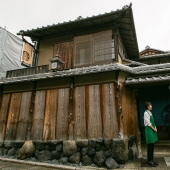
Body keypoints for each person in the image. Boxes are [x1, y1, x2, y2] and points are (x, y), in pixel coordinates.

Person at [144, 102, 158, 167]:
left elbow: (153, 121)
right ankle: (149, 160)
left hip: (152, 130)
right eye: (150, 105)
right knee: (150, 147)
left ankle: (152, 160)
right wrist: (153, 129)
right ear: (147, 106)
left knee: (152, 147)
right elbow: (148, 123)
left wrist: (155, 127)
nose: (151, 106)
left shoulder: (150, 112)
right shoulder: (146, 113)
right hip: (149, 130)